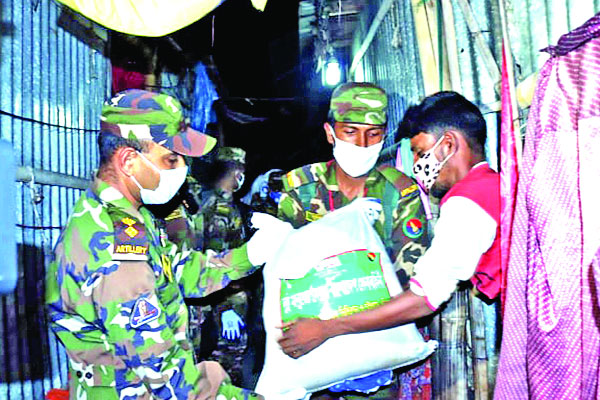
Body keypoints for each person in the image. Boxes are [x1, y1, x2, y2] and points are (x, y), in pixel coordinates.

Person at [45, 89, 291, 400]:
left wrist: (251, 254)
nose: (183, 169)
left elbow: (179, 269)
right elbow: (167, 381)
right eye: (171, 159)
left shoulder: (128, 215)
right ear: (129, 161)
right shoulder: (114, 246)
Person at [278, 91, 500, 367]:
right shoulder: (493, 185)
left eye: (420, 152)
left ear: (447, 145)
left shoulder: (466, 202)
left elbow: (425, 296)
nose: (418, 164)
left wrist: (327, 328)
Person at [276, 82, 431, 398]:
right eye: (350, 131)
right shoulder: (301, 188)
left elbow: (410, 284)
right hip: (311, 353)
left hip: (374, 348)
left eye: (373, 134)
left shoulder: (398, 192)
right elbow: (283, 275)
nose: (362, 143)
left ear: (384, 135)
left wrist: (340, 326)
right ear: (330, 132)